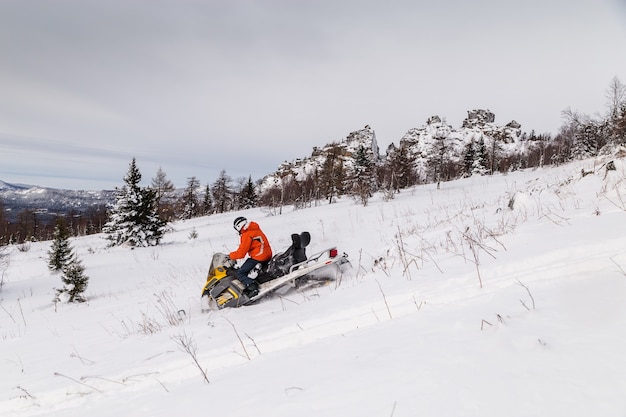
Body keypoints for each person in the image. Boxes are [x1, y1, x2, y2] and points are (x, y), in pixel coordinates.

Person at [228, 216, 273, 297]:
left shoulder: (246, 234)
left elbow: (241, 254)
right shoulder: (255, 229)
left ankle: (253, 288)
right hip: (267, 254)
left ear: (238, 226)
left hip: (259, 257)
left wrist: (230, 256)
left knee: (240, 273)